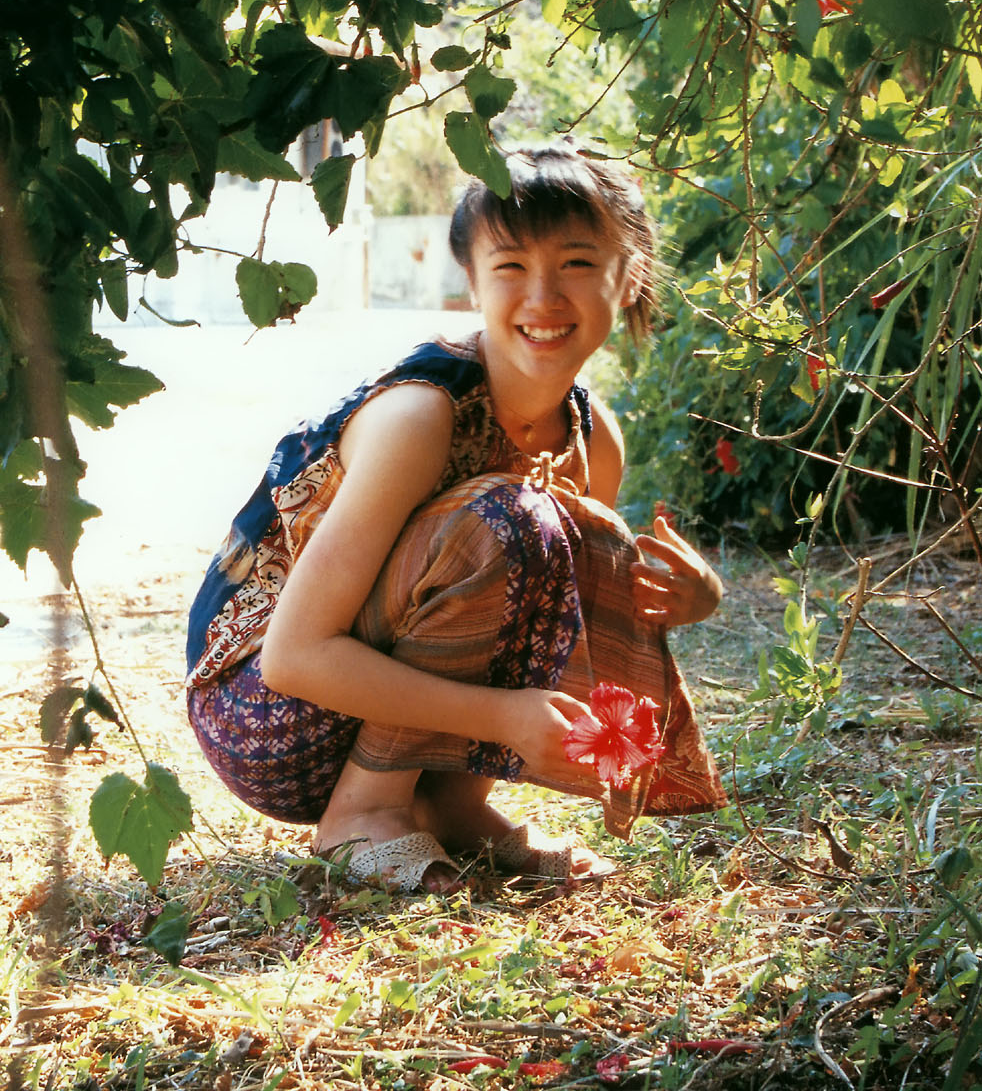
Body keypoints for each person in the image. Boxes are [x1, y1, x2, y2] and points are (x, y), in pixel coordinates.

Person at [184, 145, 726, 894]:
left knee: (580, 537)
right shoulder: (421, 414)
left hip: (389, 717)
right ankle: (362, 814)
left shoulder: (593, 438)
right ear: (472, 280)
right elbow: (294, 657)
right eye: (510, 266)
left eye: (576, 263)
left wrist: (685, 598)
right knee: (507, 520)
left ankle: (451, 806)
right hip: (266, 719)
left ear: (629, 275)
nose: (542, 296)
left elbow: (569, 595)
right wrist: (503, 718)